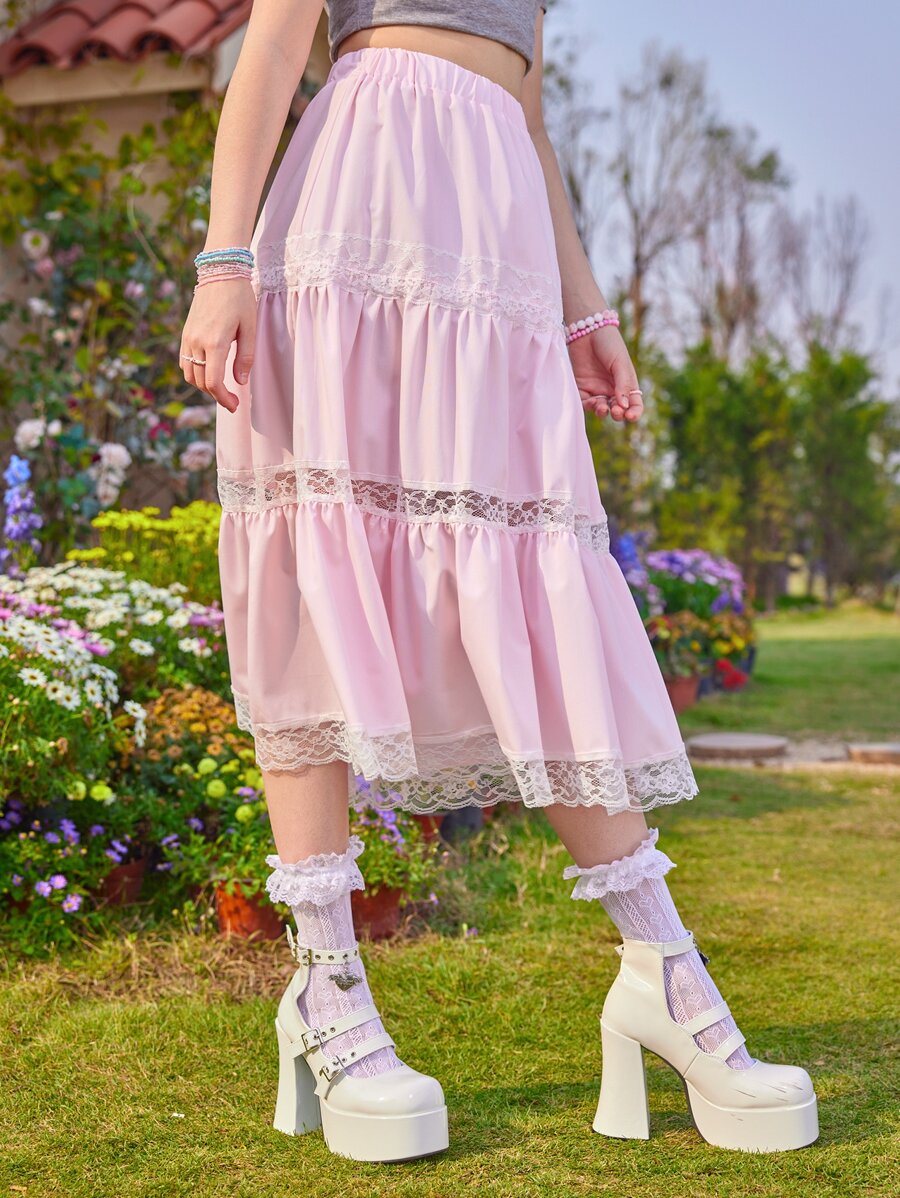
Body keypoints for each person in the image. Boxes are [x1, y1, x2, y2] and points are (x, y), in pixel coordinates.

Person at [179, 0, 818, 1164]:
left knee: (531, 580)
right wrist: (226, 261)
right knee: (322, 563)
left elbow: (527, 114)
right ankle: (326, 979)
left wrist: (586, 310)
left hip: (496, 259)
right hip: (355, 217)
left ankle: (660, 967)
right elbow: (271, 46)